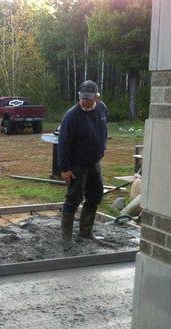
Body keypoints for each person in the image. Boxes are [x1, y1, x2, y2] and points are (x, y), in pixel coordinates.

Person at [57, 80, 108, 247]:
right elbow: (63, 143)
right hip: (77, 165)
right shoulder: (72, 116)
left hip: (94, 163)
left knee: (95, 196)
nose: (84, 102)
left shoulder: (102, 109)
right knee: (73, 198)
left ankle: (85, 232)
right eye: (82, 98)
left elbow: (103, 129)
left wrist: (102, 147)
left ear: (96, 97)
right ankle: (66, 238)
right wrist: (64, 169)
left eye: (88, 99)